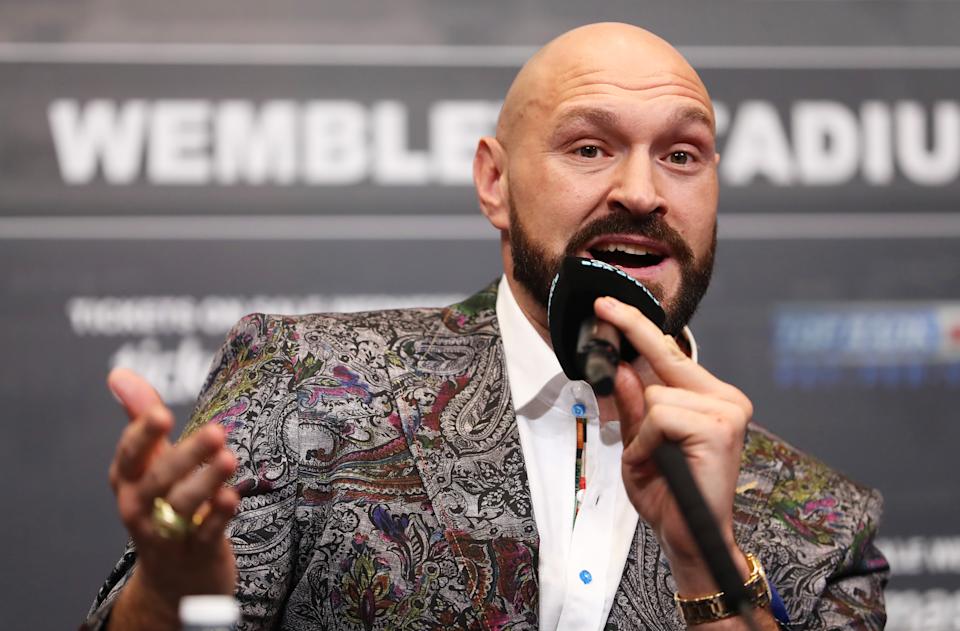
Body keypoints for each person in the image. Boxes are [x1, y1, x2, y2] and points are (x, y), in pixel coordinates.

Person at [84, 23, 888, 631]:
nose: (642, 191)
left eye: (682, 155)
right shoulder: (312, 382)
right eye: (589, 146)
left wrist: (704, 561)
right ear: (495, 182)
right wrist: (175, 584)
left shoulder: (822, 518)